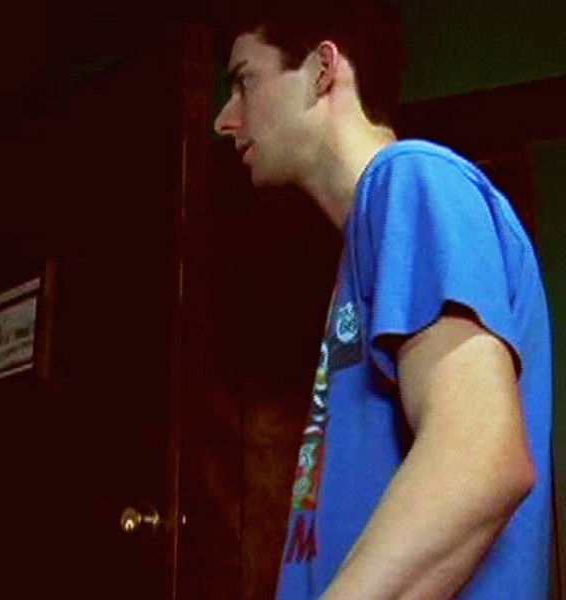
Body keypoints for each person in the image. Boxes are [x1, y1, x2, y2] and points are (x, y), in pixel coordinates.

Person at [212, 2, 554, 598]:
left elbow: (479, 457)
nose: (225, 119)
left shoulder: (410, 178)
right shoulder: (367, 239)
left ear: (323, 69)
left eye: (245, 82)